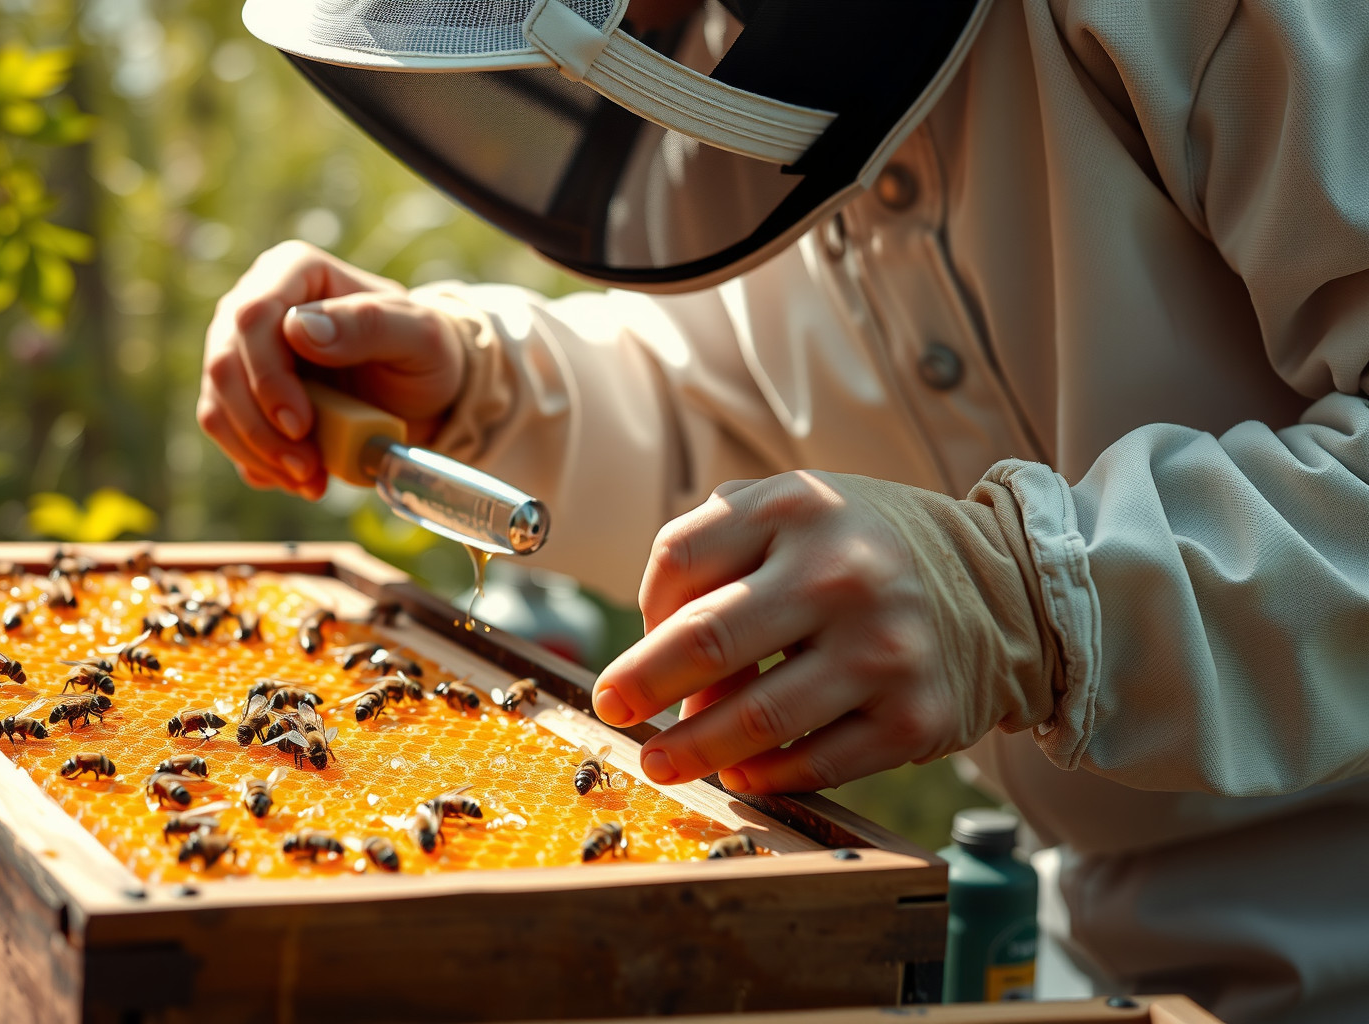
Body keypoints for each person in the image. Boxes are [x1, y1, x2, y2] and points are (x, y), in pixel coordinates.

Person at [199, 2, 1369, 1021]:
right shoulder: (734, 53)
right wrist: (478, 385)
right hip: (1094, 931)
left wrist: (1027, 594)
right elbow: (744, 423)